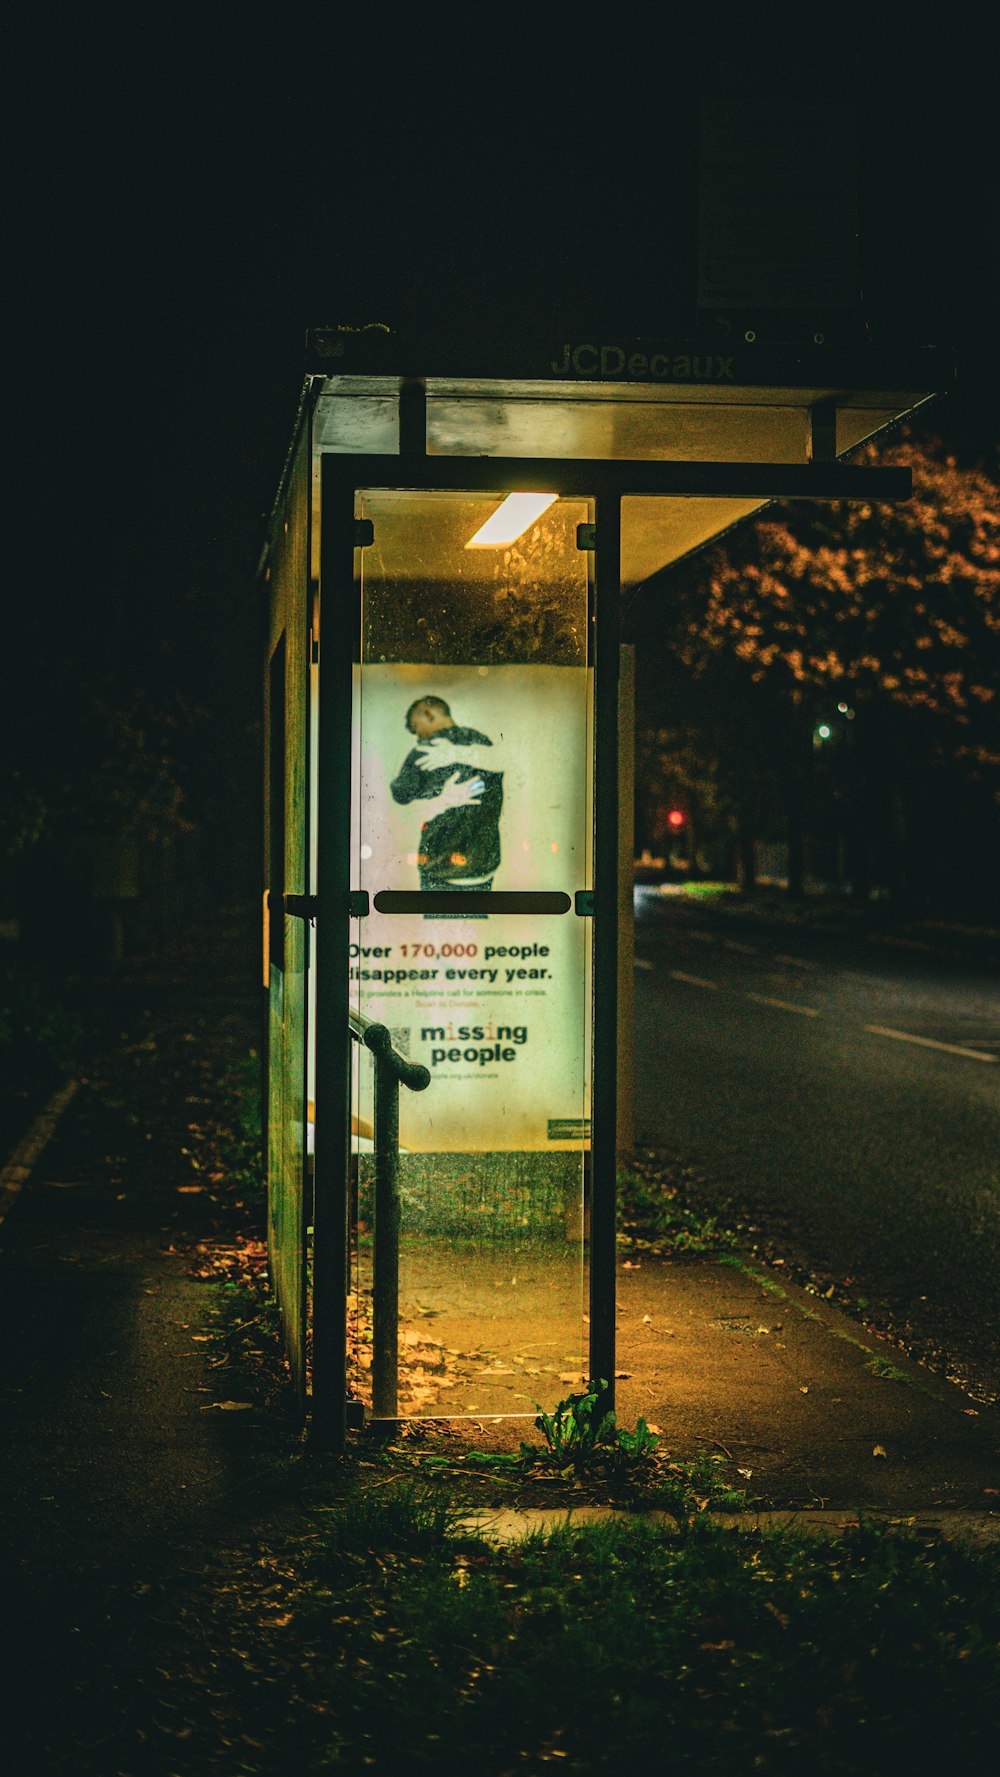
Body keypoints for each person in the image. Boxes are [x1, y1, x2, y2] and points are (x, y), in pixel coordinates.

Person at [390, 696, 503, 891]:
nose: (417, 735)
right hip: (481, 866)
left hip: (438, 870)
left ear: (428, 713)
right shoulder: (481, 742)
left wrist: (441, 800)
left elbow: (400, 800)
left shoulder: (424, 751)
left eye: (416, 727)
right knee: (477, 922)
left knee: (437, 922)